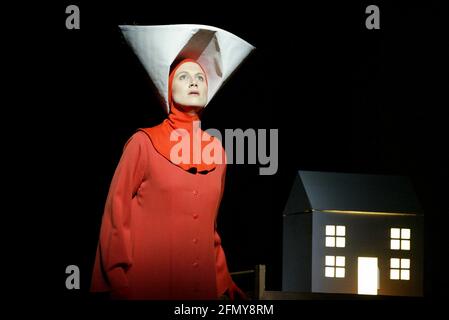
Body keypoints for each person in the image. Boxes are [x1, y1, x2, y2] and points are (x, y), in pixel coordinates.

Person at [90, 25, 254, 300]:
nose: (194, 82)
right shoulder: (143, 142)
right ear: (168, 88)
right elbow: (116, 219)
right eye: (184, 76)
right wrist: (117, 280)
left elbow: (209, 229)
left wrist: (223, 281)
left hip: (201, 292)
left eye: (200, 78)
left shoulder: (217, 152)